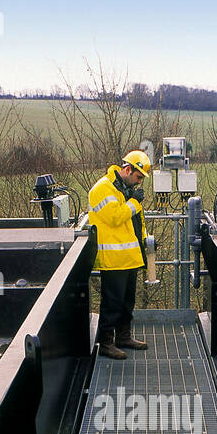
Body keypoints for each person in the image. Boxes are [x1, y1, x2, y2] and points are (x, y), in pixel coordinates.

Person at [88, 150, 152, 359]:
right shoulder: (102, 189)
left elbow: (135, 222)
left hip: (129, 257)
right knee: (112, 303)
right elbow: (115, 217)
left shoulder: (124, 188)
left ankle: (123, 337)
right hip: (113, 259)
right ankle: (105, 343)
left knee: (127, 302)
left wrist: (144, 242)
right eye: (138, 177)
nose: (139, 182)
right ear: (127, 169)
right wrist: (134, 203)